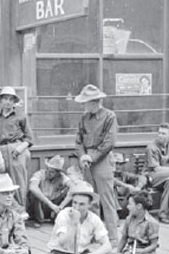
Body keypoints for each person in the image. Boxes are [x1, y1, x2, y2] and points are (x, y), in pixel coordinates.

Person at [74, 84, 119, 243]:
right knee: (90, 200)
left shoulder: (109, 117)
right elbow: (78, 141)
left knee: (107, 200)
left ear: (94, 102)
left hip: (102, 161)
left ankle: (113, 237)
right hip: (86, 162)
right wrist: (82, 157)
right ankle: (92, 235)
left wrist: (90, 157)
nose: (83, 106)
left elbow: (109, 142)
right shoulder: (84, 118)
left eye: (85, 102)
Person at [0, 86, 34, 208]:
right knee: (4, 183)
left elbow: (30, 138)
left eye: (11, 99)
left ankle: (21, 214)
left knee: (18, 182)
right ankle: (8, 215)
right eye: (5, 99)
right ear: (0, 101)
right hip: (1, 151)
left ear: (14, 102)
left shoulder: (20, 116)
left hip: (16, 150)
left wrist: (21, 148)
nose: (7, 102)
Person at [27, 155, 72, 228]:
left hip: (55, 204)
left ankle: (56, 216)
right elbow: (32, 187)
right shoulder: (39, 174)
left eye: (51, 172)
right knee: (33, 193)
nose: (47, 173)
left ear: (57, 173)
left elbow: (74, 187)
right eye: (47, 169)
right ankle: (38, 219)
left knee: (70, 192)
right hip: (41, 205)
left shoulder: (62, 177)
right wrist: (51, 204)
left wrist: (60, 206)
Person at [113, 152, 147, 219]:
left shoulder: (125, 175)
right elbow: (112, 181)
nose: (118, 166)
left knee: (141, 190)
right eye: (116, 164)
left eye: (120, 164)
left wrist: (138, 187)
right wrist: (126, 185)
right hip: (113, 208)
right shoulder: (106, 176)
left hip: (126, 205)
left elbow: (142, 177)